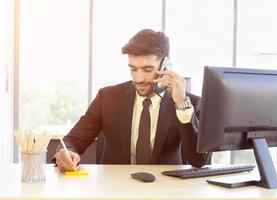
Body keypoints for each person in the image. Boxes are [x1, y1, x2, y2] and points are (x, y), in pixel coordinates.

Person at [53, 29, 211, 171]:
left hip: (166, 190)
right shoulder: (107, 98)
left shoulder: (189, 104)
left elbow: (199, 161)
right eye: (133, 69)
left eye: (148, 69)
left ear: (166, 65)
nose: (139, 79)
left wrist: (181, 104)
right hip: (117, 190)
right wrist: (64, 152)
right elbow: (74, 140)